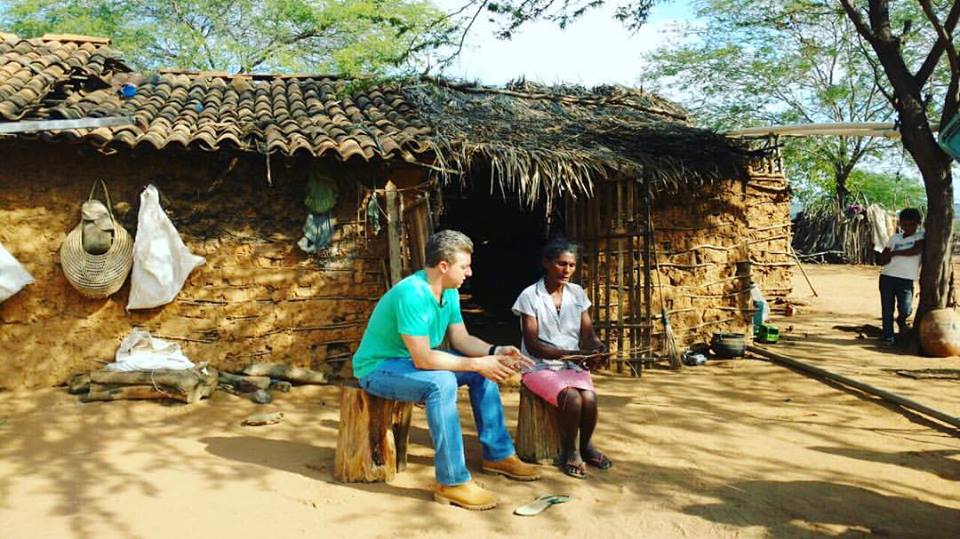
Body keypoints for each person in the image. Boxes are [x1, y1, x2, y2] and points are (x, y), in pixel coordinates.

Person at [353, 229, 541, 511]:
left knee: (480, 372)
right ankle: (451, 482)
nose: (470, 272)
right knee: (441, 382)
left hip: (408, 363)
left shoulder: (449, 292)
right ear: (444, 266)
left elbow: (461, 339)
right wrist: (477, 363)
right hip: (378, 369)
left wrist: (494, 352)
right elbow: (424, 360)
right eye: (464, 266)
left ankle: (498, 454)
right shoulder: (412, 293)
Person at [511, 238, 613, 479]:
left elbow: (588, 335)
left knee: (588, 398)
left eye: (571, 265)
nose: (567, 270)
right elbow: (534, 345)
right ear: (546, 263)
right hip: (538, 367)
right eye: (561, 264)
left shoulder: (577, 293)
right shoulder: (529, 296)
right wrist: (575, 355)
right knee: (572, 398)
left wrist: (598, 348)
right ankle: (570, 451)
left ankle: (586, 446)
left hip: (571, 364)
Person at [877, 208, 924, 344]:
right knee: (887, 309)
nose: (908, 227)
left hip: (906, 279)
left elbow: (915, 250)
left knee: (906, 308)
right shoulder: (895, 238)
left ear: (918, 224)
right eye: (905, 224)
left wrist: (894, 253)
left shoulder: (920, 236)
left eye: (912, 225)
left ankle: (901, 320)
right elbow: (884, 255)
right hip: (887, 276)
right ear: (900, 224)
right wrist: (884, 256)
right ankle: (888, 336)